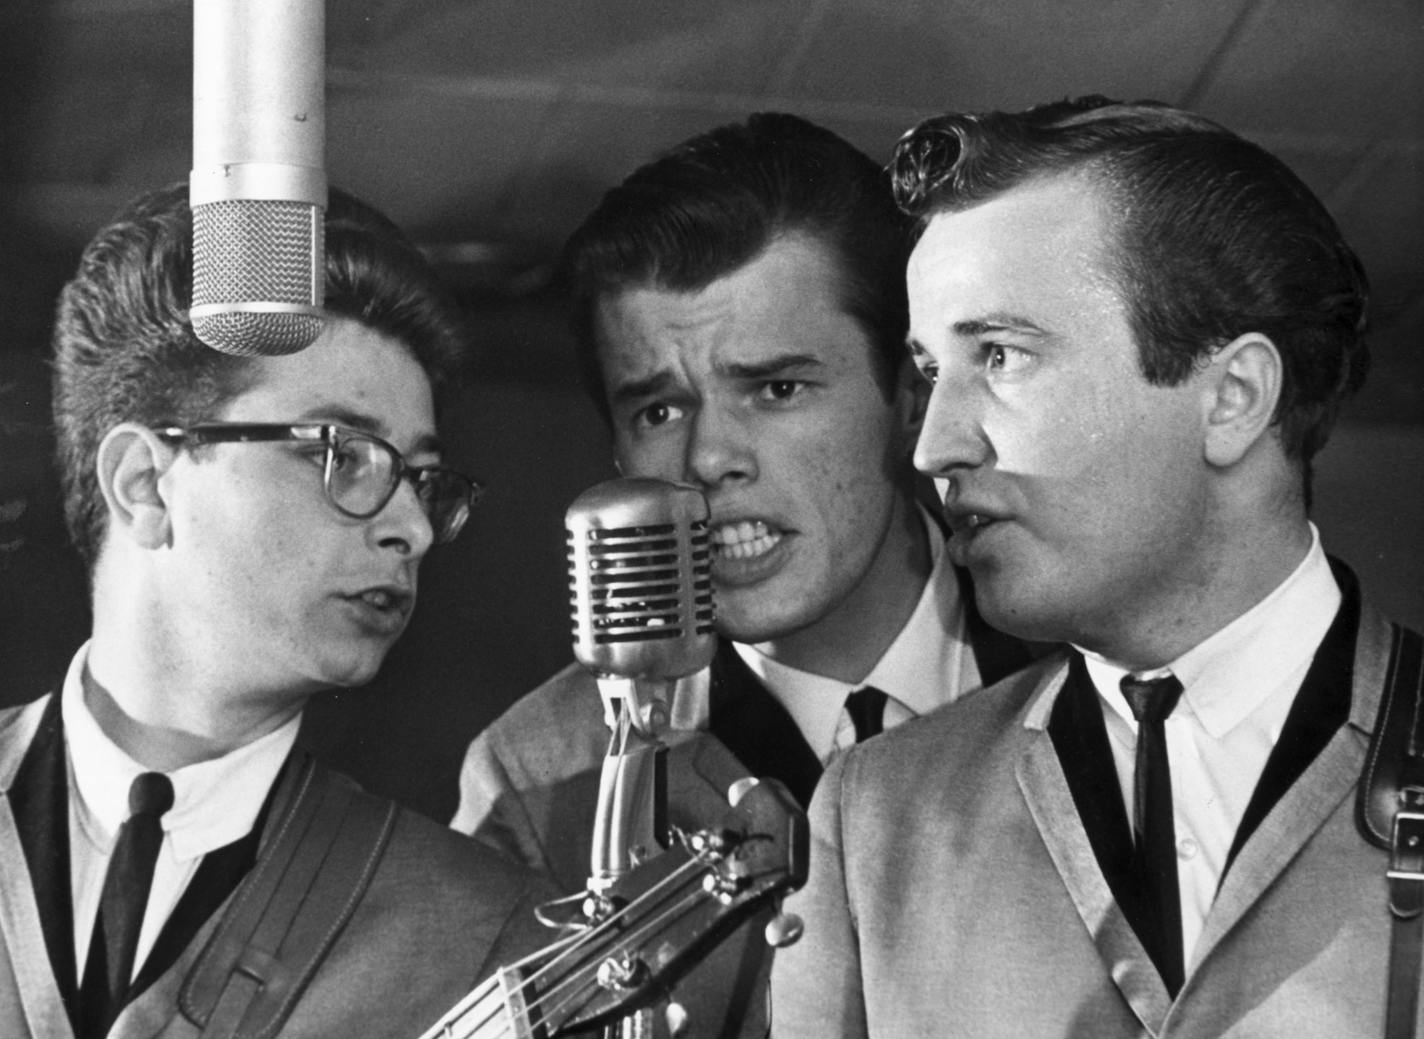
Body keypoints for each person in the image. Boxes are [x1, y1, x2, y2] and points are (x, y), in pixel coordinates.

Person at [770, 95, 1418, 1037]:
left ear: (1232, 397)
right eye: (930, 372)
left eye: (1000, 354)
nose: (934, 447)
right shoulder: (876, 822)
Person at [451, 112, 1037, 1038]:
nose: (710, 456)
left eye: (777, 389)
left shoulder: (1090, 661)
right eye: (658, 409)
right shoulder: (543, 775)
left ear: (911, 398)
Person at [0, 182, 554, 1039]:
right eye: (342, 453)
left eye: (421, 478)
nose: (411, 526)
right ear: (146, 484)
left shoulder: (479, 933)